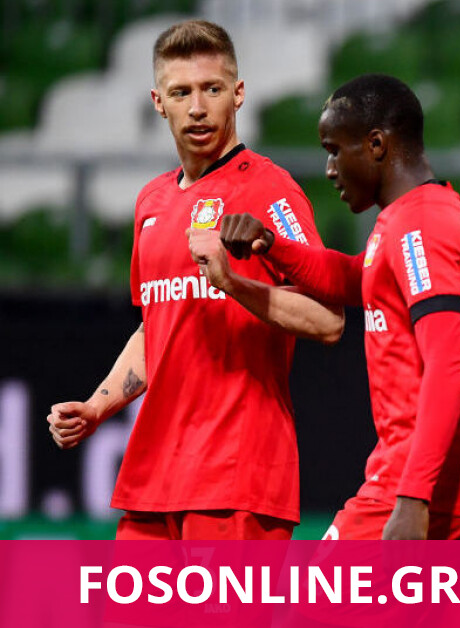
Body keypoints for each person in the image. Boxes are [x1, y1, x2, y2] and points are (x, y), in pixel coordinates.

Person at [44, 20, 342, 540]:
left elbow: (329, 319)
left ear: (238, 94)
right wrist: (97, 406)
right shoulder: (151, 202)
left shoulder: (271, 190)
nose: (198, 107)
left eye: (212, 89)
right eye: (181, 93)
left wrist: (235, 284)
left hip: (237, 478)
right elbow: (156, 326)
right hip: (152, 479)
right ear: (158, 102)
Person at [214, 74, 460, 540]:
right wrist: (271, 244)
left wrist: (413, 498)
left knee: (321, 589)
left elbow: (447, 363)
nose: (330, 169)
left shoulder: (420, 224)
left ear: (376, 145)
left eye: (335, 150)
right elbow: (359, 278)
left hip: (428, 477)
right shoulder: (426, 212)